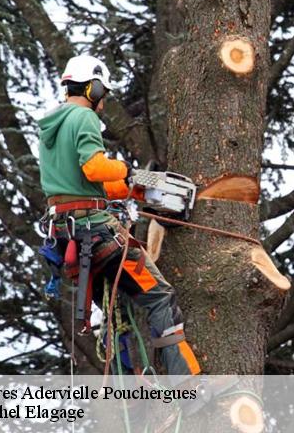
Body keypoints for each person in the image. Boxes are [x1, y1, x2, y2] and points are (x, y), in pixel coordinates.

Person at [37, 54, 200, 376]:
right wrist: (127, 170)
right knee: (160, 296)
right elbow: (95, 167)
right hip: (97, 232)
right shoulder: (83, 117)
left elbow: (79, 185)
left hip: (68, 233)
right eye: (103, 94)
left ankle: (134, 393)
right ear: (92, 89)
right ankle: (187, 386)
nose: (103, 103)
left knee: (119, 312)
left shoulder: (51, 128)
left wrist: (131, 189)